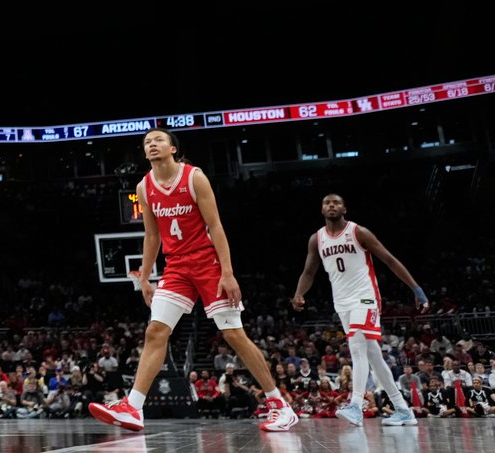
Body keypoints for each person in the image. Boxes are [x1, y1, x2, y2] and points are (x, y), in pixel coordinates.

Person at [89, 129, 297, 433]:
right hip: (176, 267)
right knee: (155, 331)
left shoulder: (194, 177)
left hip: (207, 262)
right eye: (147, 142)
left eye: (158, 140)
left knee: (234, 334)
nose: (152, 144)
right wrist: (144, 277)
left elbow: (216, 226)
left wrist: (227, 272)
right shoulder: (144, 187)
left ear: (173, 148)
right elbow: (152, 235)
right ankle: (133, 407)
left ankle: (280, 405)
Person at [291, 192, 427, 428]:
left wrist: (416, 289)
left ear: (344, 209)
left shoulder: (358, 232)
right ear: (322, 209)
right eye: (327, 203)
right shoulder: (317, 239)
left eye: (336, 202)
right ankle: (403, 410)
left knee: (356, 347)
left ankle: (355, 405)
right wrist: (299, 293)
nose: (331, 205)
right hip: (342, 303)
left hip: (365, 298)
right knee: (373, 356)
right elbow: (309, 272)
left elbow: (389, 259)